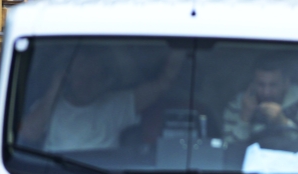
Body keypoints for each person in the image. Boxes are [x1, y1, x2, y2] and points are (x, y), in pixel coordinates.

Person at [17, 45, 184, 154]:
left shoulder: (115, 104)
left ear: (105, 79)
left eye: (94, 77)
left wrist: (179, 51)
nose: (86, 83)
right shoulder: (49, 106)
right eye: (80, 76)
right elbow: (29, 133)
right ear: (67, 78)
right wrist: (54, 89)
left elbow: (162, 84)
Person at [223, 64, 298, 152]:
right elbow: (227, 150)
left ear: (286, 83)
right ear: (253, 84)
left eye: (273, 85)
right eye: (261, 85)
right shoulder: (241, 103)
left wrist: (283, 123)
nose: (266, 92)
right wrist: (244, 119)